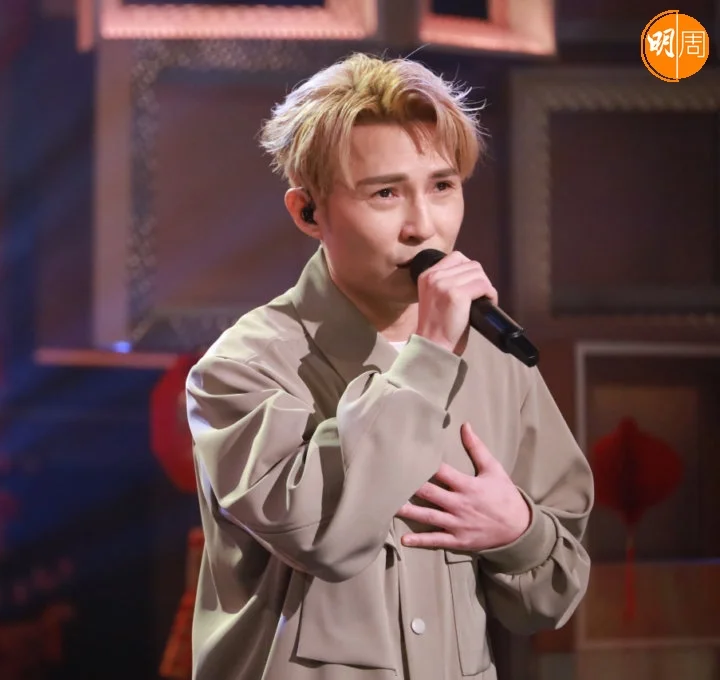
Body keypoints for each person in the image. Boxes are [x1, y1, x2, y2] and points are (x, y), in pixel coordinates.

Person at [184, 53, 594, 680]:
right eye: (385, 193)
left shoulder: (498, 359)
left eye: (443, 186)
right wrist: (428, 358)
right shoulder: (242, 368)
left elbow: (553, 598)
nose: (423, 227)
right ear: (308, 212)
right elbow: (323, 535)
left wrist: (519, 530)